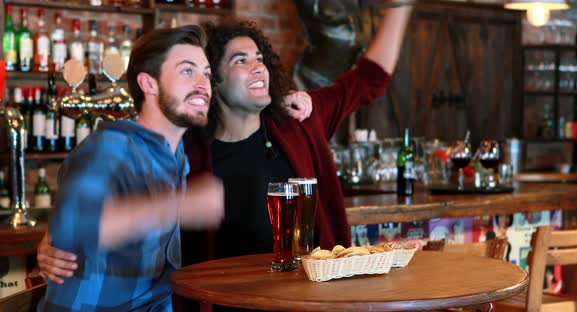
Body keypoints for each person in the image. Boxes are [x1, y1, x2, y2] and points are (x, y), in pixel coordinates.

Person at [38, 0, 413, 282]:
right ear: (212, 82)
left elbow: (369, 77)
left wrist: (401, 6)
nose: (259, 66)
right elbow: (96, 192)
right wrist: (52, 239)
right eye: (240, 60)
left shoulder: (298, 121)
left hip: (310, 303)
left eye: (261, 57)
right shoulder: (186, 150)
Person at [37, 25, 225, 311]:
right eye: (187, 71)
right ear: (149, 84)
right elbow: (72, 229)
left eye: (207, 74)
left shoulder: (175, 154)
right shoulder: (112, 146)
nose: (203, 83)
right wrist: (178, 206)